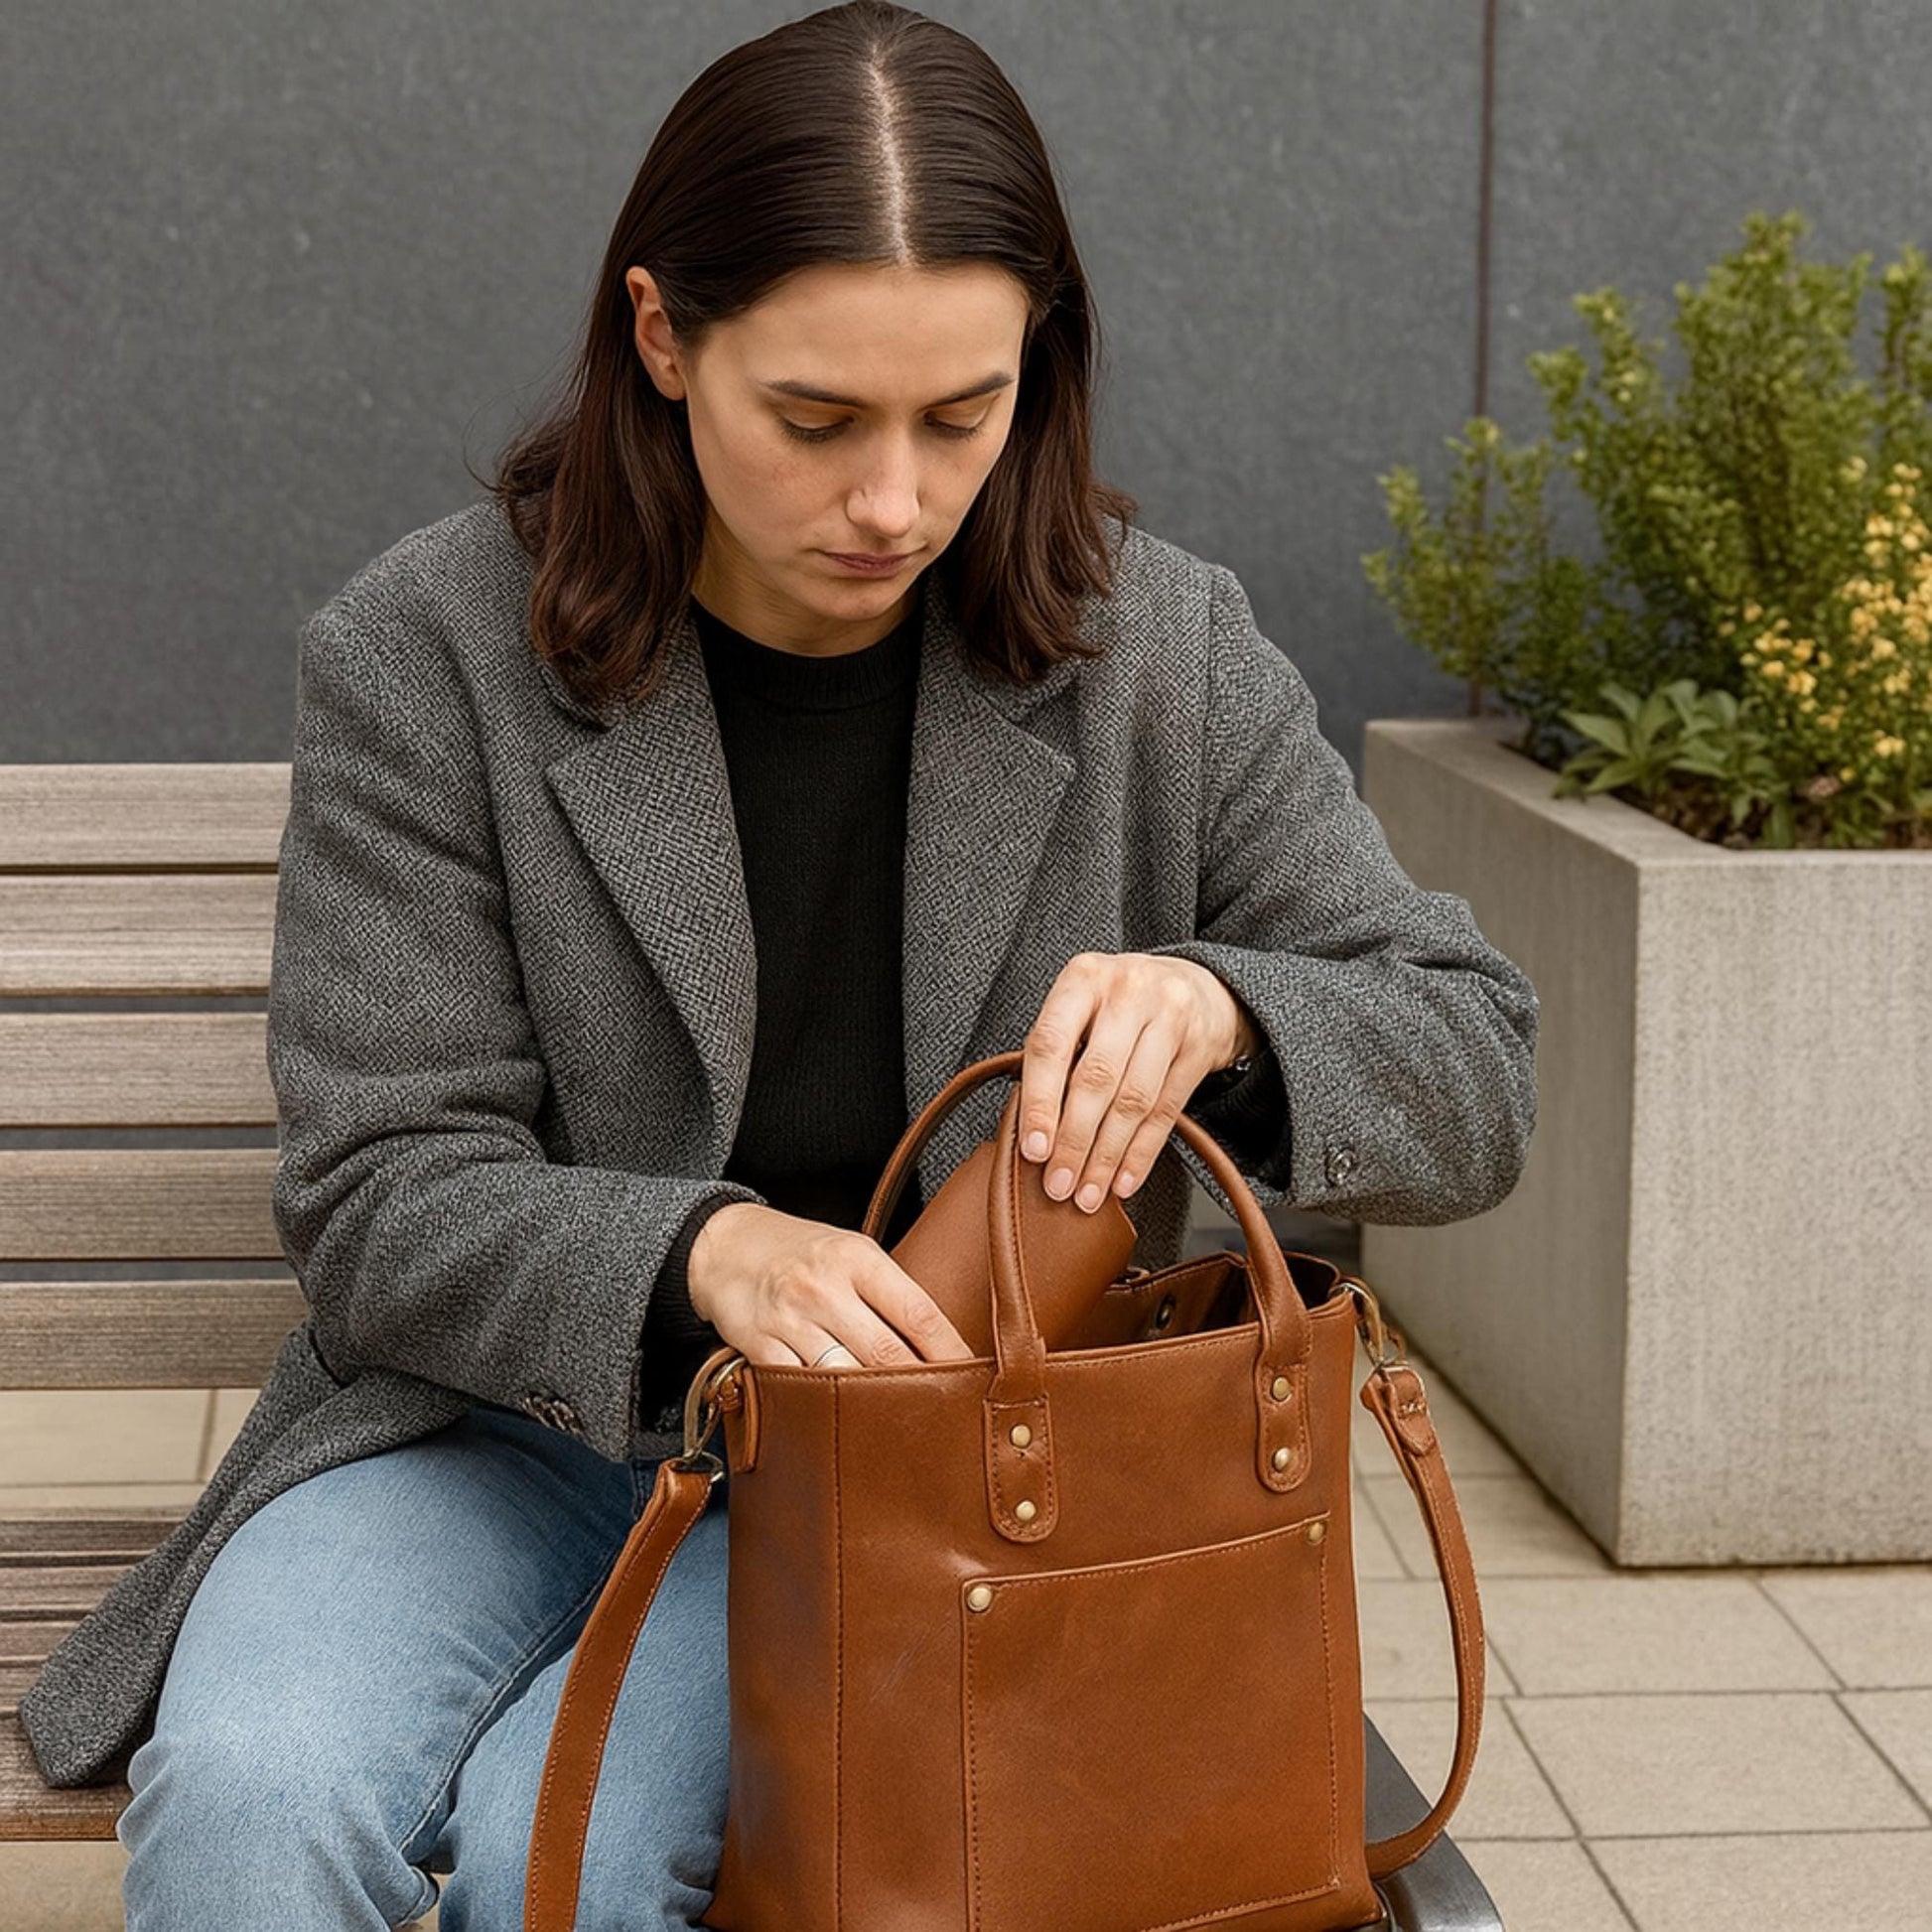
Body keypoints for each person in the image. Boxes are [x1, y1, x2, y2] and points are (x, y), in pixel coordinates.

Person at [17, 3, 1541, 1926]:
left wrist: (1232, 1014)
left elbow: (1480, 1062)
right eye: (814, 419)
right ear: (663, 337)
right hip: (497, 1425)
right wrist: (698, 1256)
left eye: (959, 416)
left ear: (1033, 367)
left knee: (546, 1862)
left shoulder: (1154, 654)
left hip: (926, 1483)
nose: (893, 500)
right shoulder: (432, 654)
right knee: (250, 1795)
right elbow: (379, 1193)